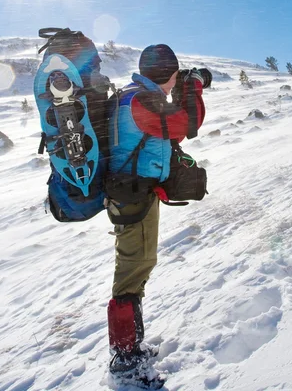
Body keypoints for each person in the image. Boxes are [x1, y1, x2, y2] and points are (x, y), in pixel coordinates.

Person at [106, 43, 206, 381]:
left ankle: (130, 348)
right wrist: (191, 88)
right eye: (176, 74)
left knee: (136, 267)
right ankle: (126, 362)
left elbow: (165, 132)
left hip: (132, 192)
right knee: (133, 271)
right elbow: (186, 125)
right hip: (133, 198)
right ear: (169, 73)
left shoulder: (134, 95)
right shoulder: (142, 101)